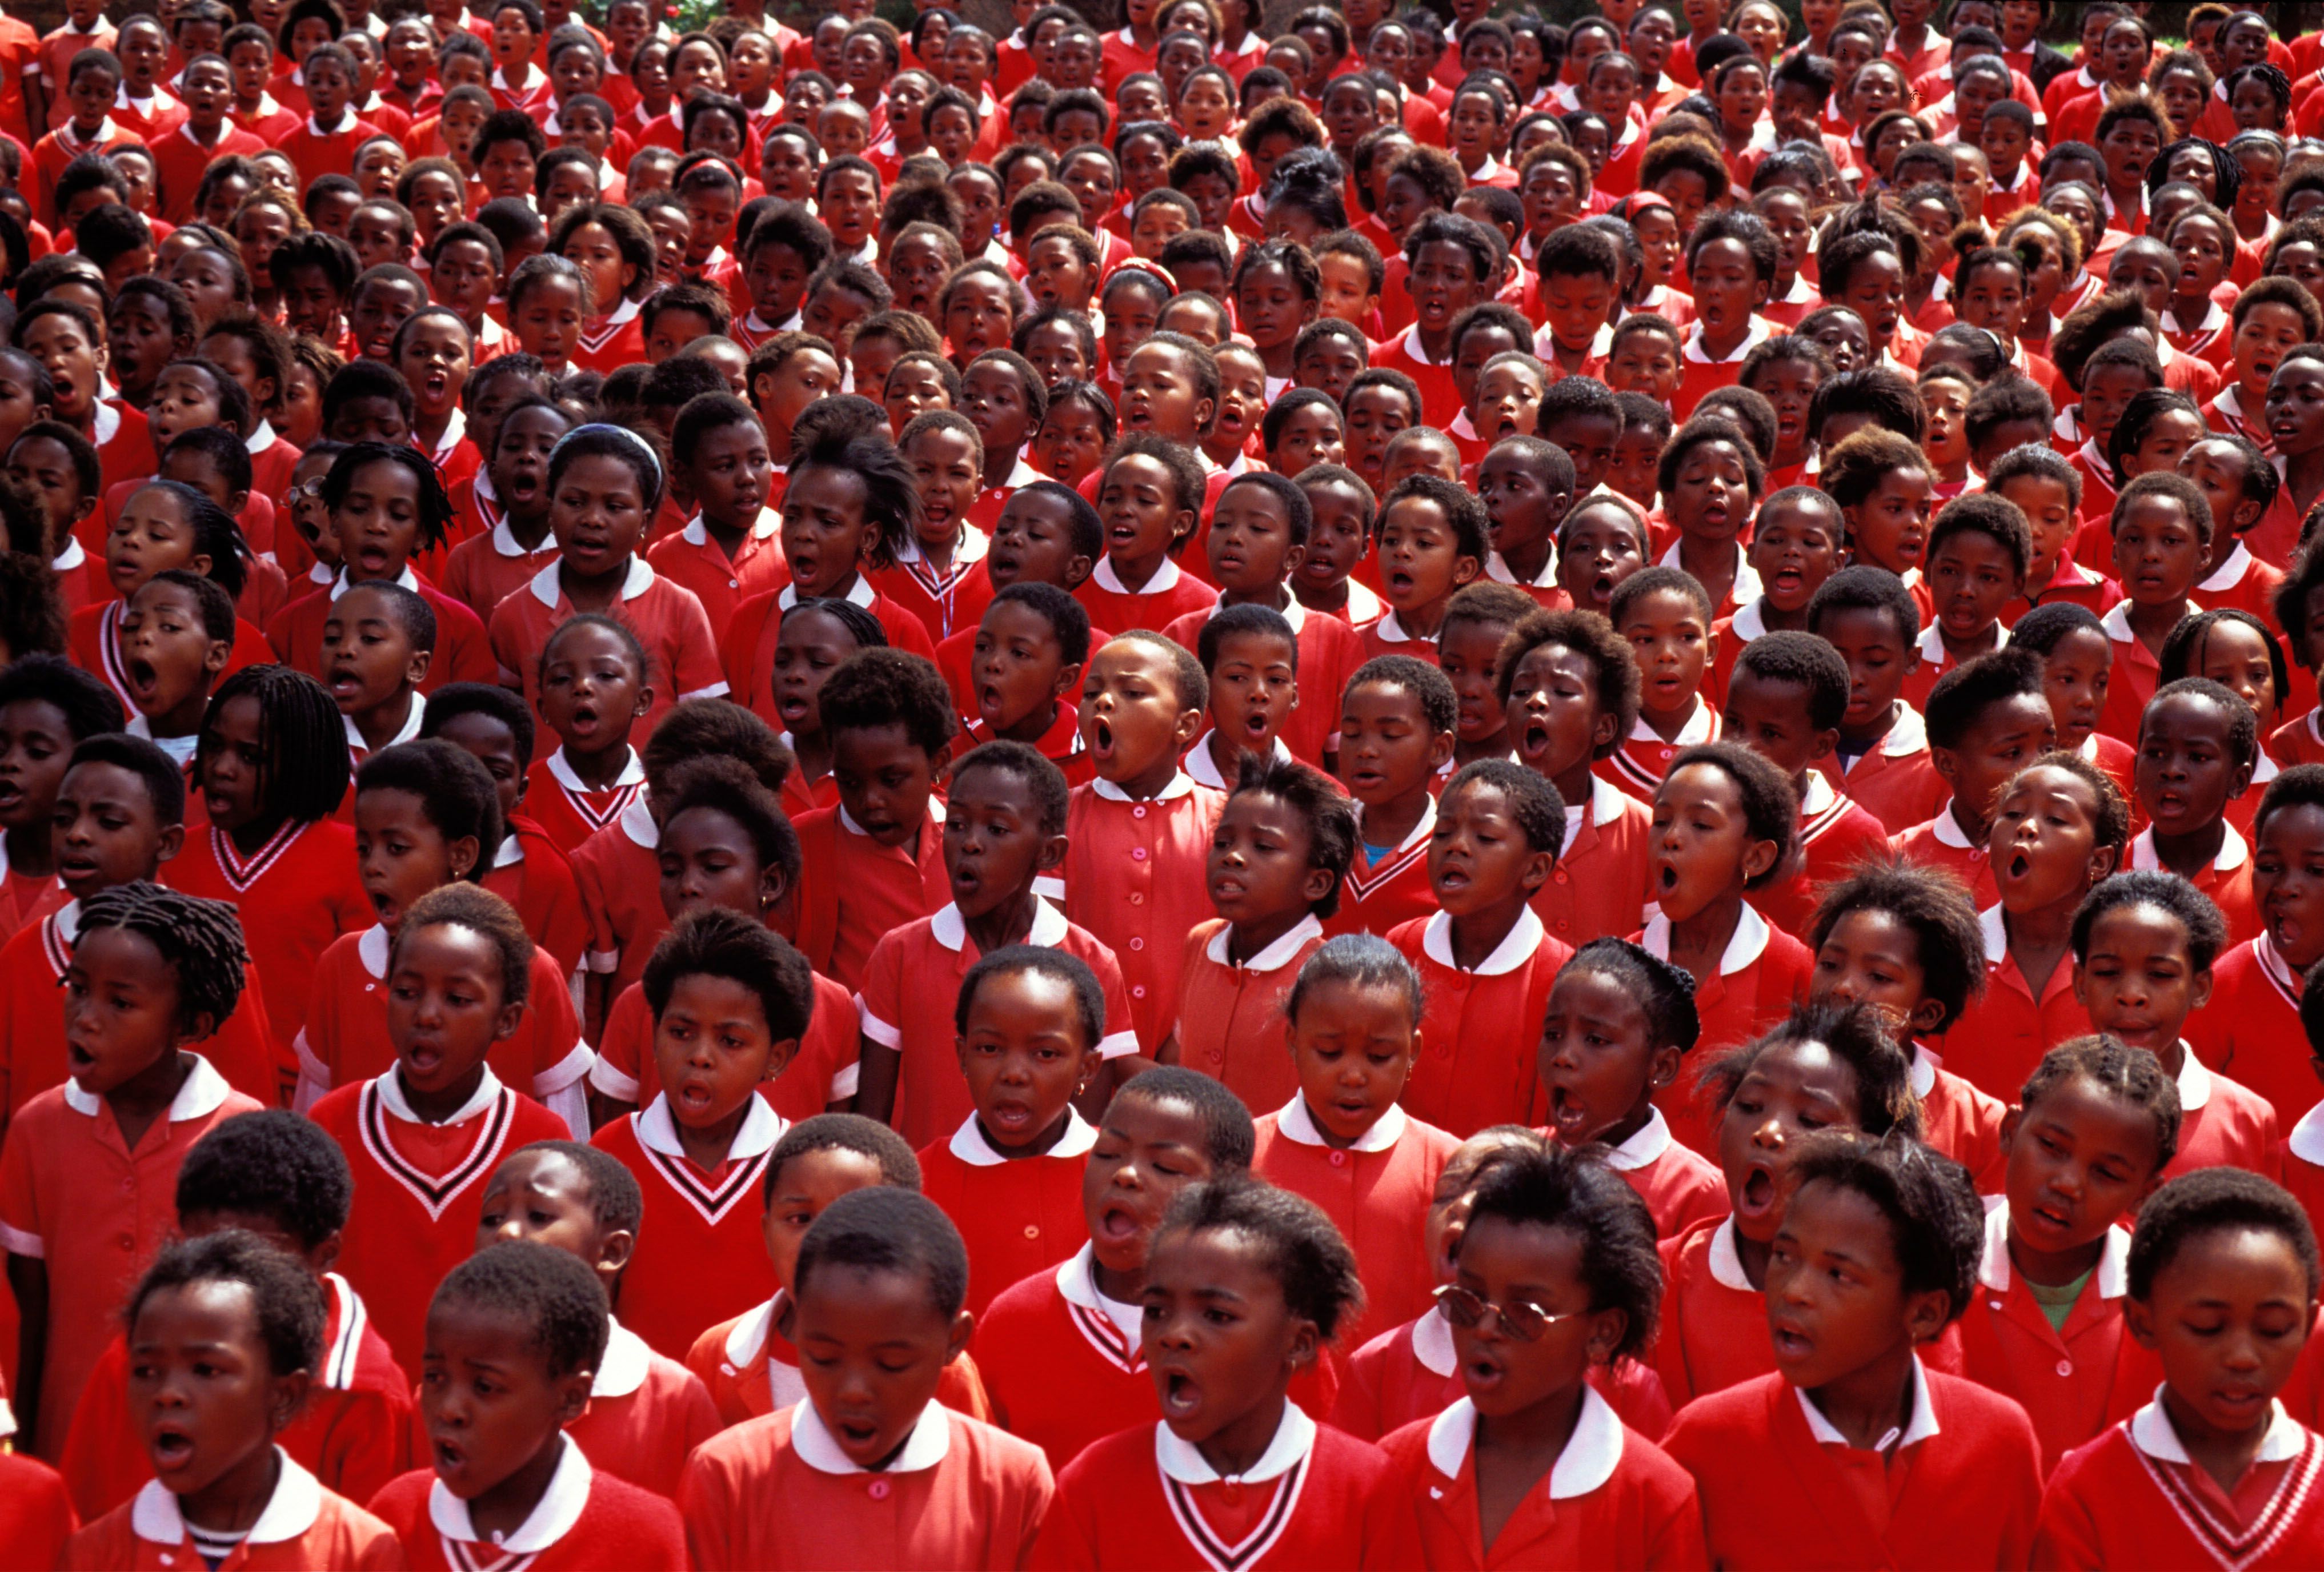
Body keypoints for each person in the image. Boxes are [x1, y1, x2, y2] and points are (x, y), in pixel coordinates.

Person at [1662, 1131, 2046, 1570]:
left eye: (1839, 1275)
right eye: (1784, 1256)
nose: (1795, 1291)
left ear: (1924, 1313)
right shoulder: (1707, 1444)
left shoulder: (1999, 1443)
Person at [1031, 1173, 1428, 1569]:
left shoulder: (1366, 1489)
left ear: (1299, 1343)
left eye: (1217, 1315)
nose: (1174, 1335)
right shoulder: (1093, 1486)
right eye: (1156, 1311)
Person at [0, 883, 262, 1458]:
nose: (86, 1017)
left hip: (202, 1450)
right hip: (68, 1445)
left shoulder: (242, 1134)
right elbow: (29, 1309)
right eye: (78, 988)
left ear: (188, 1023)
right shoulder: (35, 1128)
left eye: (120, 1002)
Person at [58, 1110, 415, 1518]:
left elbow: (366, 1552)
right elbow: (80, 1526)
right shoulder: (137, 1363)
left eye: (254, 1260)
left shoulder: (368, 1395)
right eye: (204, 1252)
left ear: (324, 1255)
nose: (223, 1281)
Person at [679, 1188, 1054, 1570]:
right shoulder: (727, 1476)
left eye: (891, 1364)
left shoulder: (1012, 1480)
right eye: (823, 1358)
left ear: (953, 1342)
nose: (854, 1391)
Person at [1380, 1138, 1707, 1571]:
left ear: (1602, 1333)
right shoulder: (1397, 1466)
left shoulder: (1655, 1499)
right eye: (1469, 1298)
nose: (1484, 1328)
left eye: (1525, 1312)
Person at [2033, 1166, 2324, 1567]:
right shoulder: (2087, 1491)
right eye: (2207, 1328)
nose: (2243, 1357)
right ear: (2142, 1322)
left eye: (2274, 1330)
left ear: (2308, 1326)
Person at [59, 1231, 402, 1570]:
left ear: (284, 1396)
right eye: (147, 1371)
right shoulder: (94, 1555)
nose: (167, 1394)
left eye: (206, 1370)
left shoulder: (359, 1553)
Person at [364, 1241, 688, 1569]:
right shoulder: (396, 1515)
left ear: (571, 1398)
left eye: (485, 1386)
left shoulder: (644, 1538)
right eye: (435, 1377)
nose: (449, 1409)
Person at [1959, 1035, 2181, 1471]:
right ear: (2010, 1132)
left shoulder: (2170, 1305)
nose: (2067, 1184)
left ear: (2144, 1196)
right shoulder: (1935, 1277)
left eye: (2106, 1173)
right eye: (2052, 1148)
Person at [471, 1141, 720, 1498]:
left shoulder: (674, 1401)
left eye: (538, 1216)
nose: (507, 1232)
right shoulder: (448, 1391)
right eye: (493, 1217)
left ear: (611, 1251)